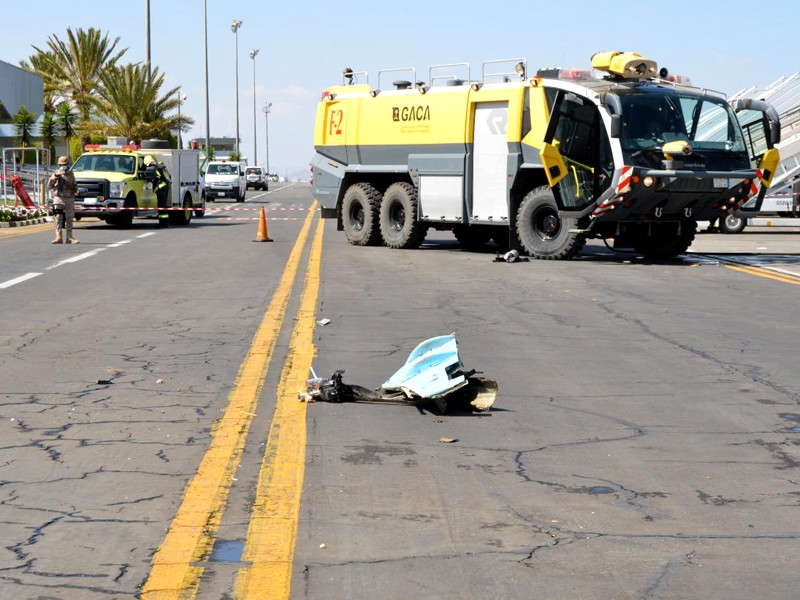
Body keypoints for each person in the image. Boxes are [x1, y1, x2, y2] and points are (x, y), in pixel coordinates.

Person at [48, 155, 78, 244]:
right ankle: (58, 237)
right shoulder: (55, 173)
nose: (62, 166)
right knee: (58, 218)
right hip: (59, 199)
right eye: (61, 164)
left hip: (69, 199)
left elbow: (75, 185)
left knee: (69, 219)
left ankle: (69, 237)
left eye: (64, 164)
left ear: (68, 164)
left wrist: (76, 191)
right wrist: (52, 180)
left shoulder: (71, 174)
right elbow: (49, 187)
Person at [145, 155, 170, 228]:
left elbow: (154, 177)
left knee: (161, 206)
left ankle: (163, 224)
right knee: (163, 206)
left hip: (161, 188)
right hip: (163, 187)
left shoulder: (153, 168)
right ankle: (164, 223)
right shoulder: (158, 167)